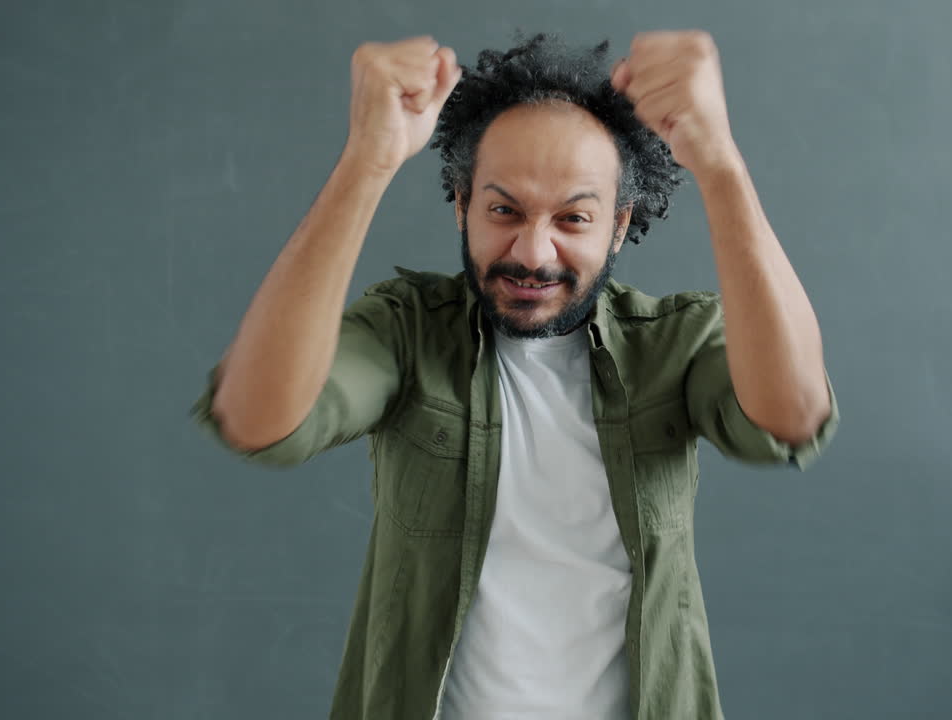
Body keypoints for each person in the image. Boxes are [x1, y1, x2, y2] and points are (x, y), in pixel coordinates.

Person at [189, 30, 840, 720]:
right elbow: (257, 418)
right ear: (461, 204)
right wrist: (366, 163)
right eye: (504, 210)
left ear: (618, 226)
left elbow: (790, 416)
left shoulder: (673, 345)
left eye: (573, 218)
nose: (533, 251)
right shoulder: (408, 331)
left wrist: (720, 165)